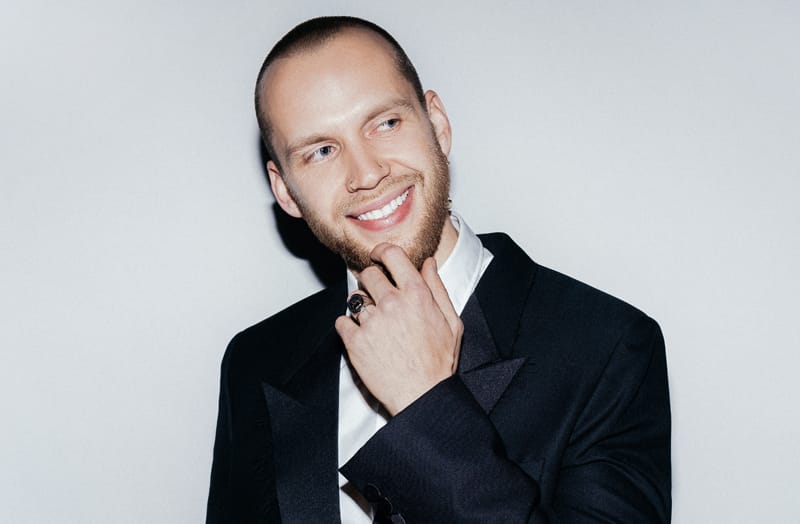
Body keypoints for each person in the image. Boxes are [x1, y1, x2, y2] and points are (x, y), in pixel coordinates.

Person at [207, 16, 671, 524]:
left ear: (438, 124)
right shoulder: (256, 361)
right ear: (285, 191)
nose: (367, 173)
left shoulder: (608, 348)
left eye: (386, 123)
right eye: (321, 151)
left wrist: (425, 402)